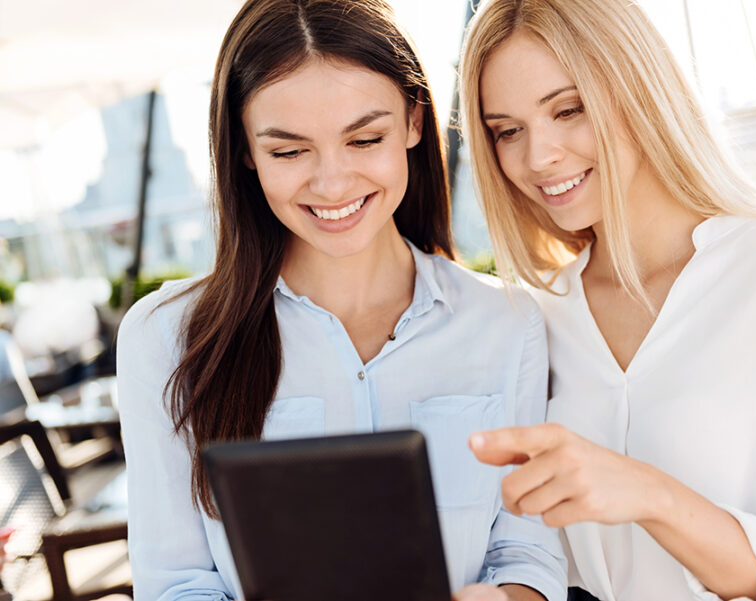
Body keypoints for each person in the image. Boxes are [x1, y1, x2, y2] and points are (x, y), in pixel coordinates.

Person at [116, 1, 566, 600]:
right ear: (245, 150)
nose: (332, 184)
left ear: (413, 122)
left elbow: (527, 551)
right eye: (288, 151)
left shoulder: (507, 322)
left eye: (364, 138)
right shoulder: (165, 337)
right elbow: (175, 584)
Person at [457, 1, 756, 600]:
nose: (538, 157)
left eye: (570, 109)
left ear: (640, 88)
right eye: (508, 131)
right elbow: (539, 560)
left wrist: (653, 496)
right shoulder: (537, 315)